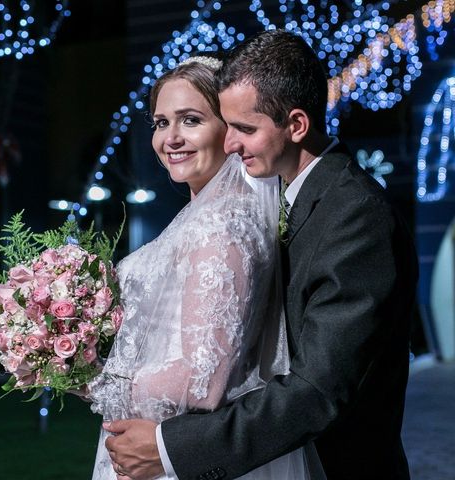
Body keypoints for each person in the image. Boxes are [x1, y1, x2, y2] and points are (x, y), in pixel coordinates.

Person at [103, 29, 418, 480]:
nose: (230, 144)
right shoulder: (282, 200)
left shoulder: (356, 217)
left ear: (296, 125)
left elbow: (319, 390)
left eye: (245, 129)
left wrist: (169, 447)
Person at [88, 54, 323, 479]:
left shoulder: (223, 225)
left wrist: (87, 376)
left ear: (228, 131)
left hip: (178, 449)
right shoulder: (199, 218)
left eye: (190, 120)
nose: (170, 138)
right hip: (154, 441)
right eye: (161, 123)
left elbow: (201, 379)